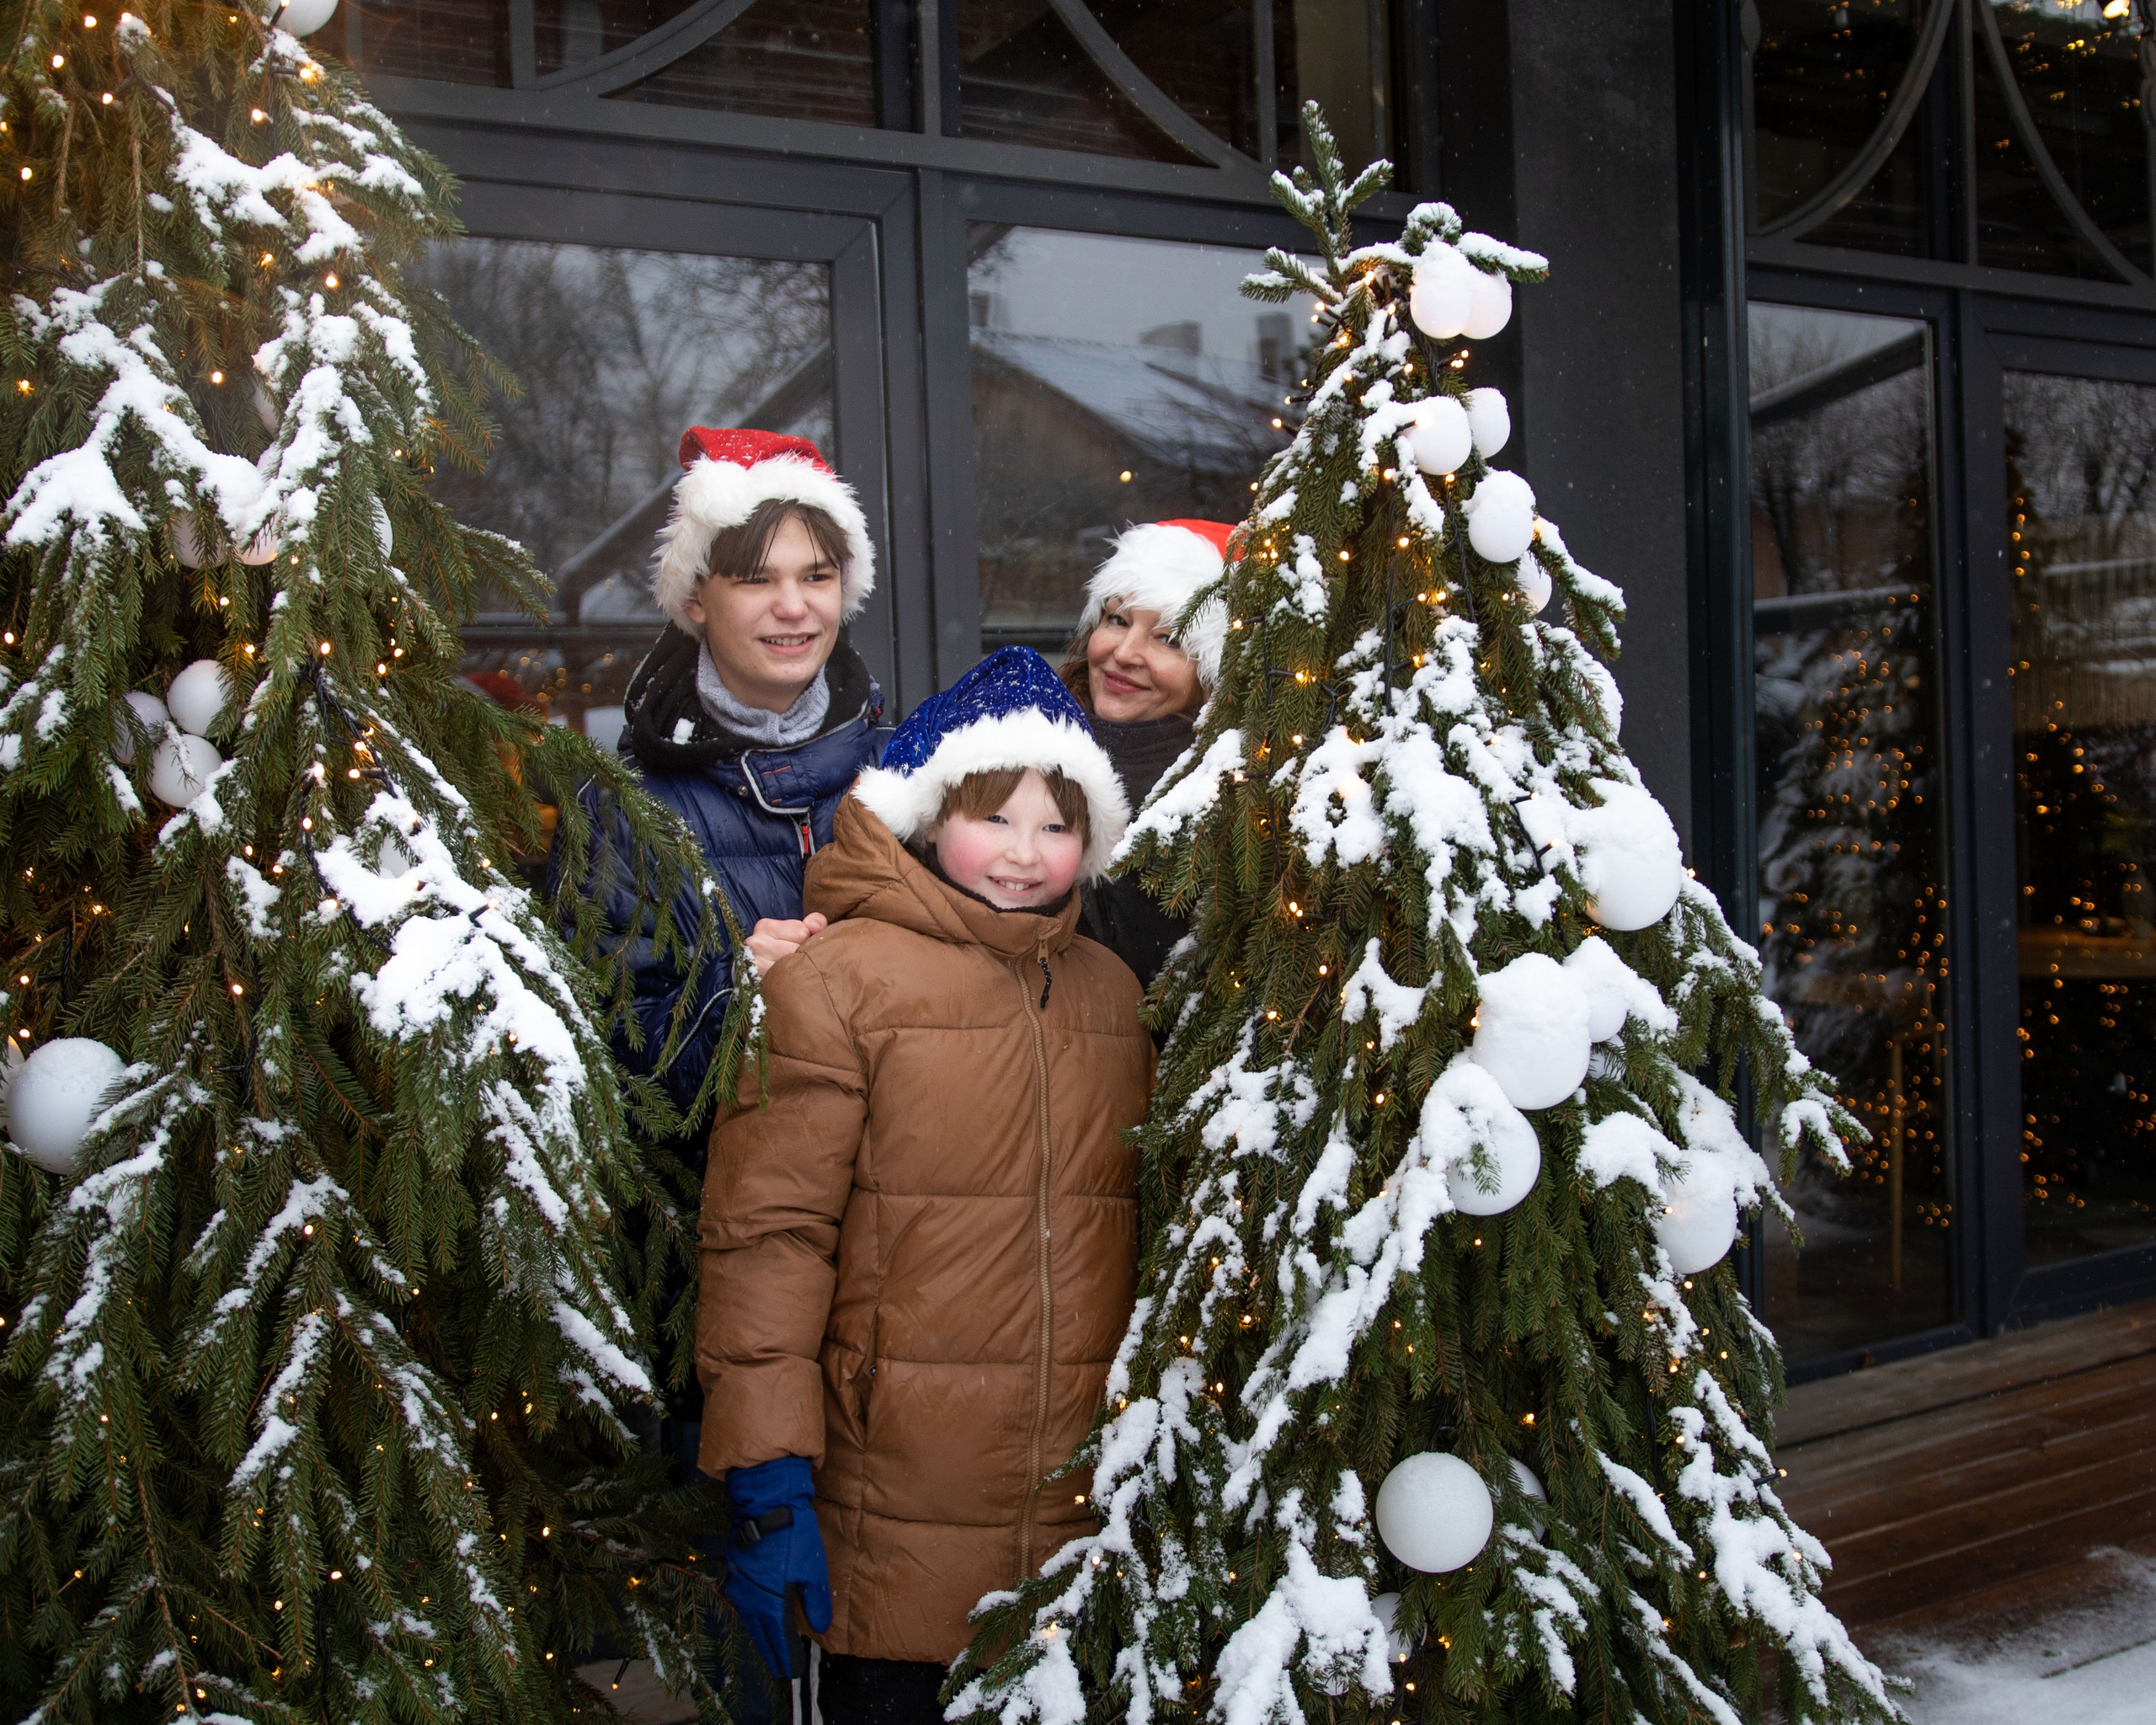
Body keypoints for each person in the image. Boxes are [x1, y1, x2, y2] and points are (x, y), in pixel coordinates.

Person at [696, 648, 1151, 1723]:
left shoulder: (1112, 992)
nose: (1023, 853)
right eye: (995, 816)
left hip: (1074, 1533)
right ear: (932, 809)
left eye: (1057, 824)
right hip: (888, 1518)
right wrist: (768, 1477)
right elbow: (768, 1237)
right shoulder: (835, 980)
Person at [569, 425, 887, 1123]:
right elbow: (611, 1063)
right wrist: (732, 993)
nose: (795, 607)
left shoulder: (905, 768)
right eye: (756, 579)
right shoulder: (626, 807)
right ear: (695, 600)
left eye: (816, 576)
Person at [1058, 518, 1233, 986]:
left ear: (1215, 675)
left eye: (1170, 639)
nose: (1126, 652)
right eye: (1117, 619)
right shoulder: (1016, 739)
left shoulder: (1229, 811)